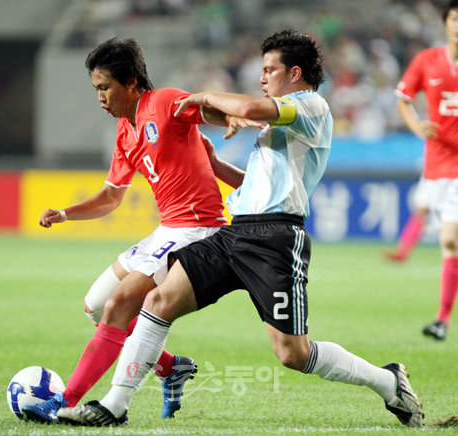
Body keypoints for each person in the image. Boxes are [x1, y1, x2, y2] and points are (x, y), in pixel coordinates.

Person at [56, 30, 424, 428]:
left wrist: (202, 97)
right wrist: (217, 167)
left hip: (276, 239)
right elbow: (256, 188)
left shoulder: (311, 106)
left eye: (270, 70)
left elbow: (249, 108)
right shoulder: (281, 121)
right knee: (157, 302)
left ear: (295, 73)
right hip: (236, 232)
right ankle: (114, 406)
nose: (262, 77)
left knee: (292, 353)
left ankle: (388, 381)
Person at [22, 37, 259, 424]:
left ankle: (64, 401)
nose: (100, 97)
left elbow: (204, 109)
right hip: (168, 229)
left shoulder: (162, 102)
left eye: (105, 87)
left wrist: (230, 116)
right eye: (96, 89)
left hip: (197, 229)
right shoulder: (124, 130)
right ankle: (169, 366)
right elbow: (111, 197)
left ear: (131, 82)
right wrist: (66, 213)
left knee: (118, 305)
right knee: (95, 305)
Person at [394, 0, 458, 340]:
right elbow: (403, 100)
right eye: (455, 19)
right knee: (447, 241)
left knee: (449, 239)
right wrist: (416, 125)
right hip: (437, 166)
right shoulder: (427, 60)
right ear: (445, 23)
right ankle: (442, 319)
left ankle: (441, 318)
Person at [382, 177, 430, 262]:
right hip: (432, 175)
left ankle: (402, 252)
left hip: (448, 175)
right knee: (421, 210)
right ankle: (402, 252)